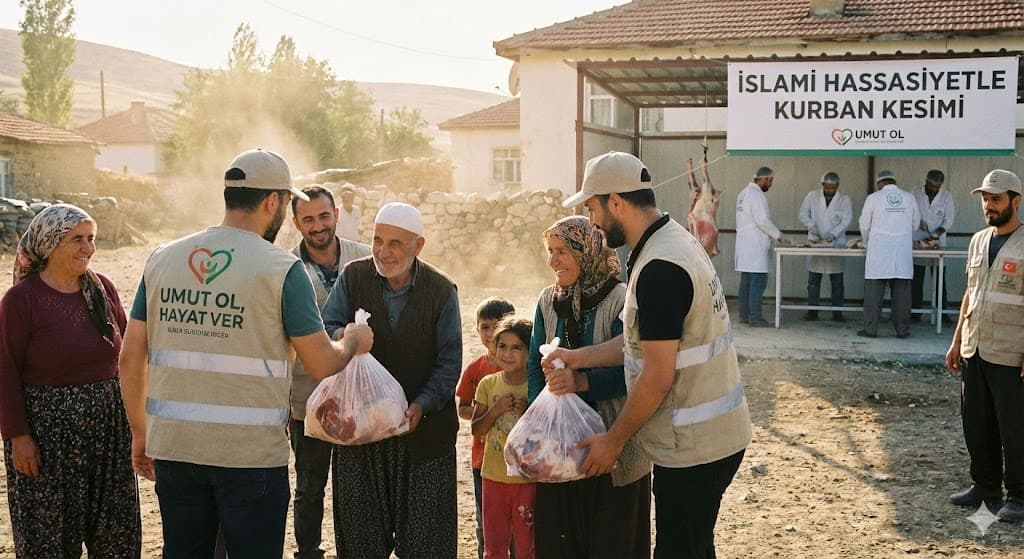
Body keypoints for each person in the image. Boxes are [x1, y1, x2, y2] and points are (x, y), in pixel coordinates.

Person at [117, 148, 374, 559]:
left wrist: (141, 432)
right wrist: (354, 340)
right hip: (249, 457)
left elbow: (130, 358)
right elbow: (323, 362)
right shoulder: (281, 269)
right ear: (274, 202)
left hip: (176, 448)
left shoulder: (163, 259)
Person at [550, 151, 751, 559]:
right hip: (711, 437)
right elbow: (637, 342)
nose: (592, 221)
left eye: (592, 208)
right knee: (694, 547)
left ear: (616, 202)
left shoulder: (661, 268)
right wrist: (578, 358)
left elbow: (658, 376)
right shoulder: (670, 241)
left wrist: (613, 441)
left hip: (695, 448)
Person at [0, 204, 142, 558]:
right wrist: (19, 437)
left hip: (110, 430)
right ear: (50, 243)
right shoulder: (21, 300)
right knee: (48, 542)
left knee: (117, 537)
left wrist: (140, 423)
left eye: (91, 239)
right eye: (76, 239)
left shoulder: (102, 289)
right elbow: (4, 372)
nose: (88, 248)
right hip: (47, 437)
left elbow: (127, 357)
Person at [322, 201, 462, 558]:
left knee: (426, 545)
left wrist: (422, 404)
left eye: (396, 243)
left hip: (423, 438)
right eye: (378, 240)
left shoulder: (442, 291)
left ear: (419, 246)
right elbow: (325, 331)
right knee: (360, 543)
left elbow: (449, 364)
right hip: (361, 436)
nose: (384, 252)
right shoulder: (353, 277)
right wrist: (349, 336)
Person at [526, 215, 651, 559]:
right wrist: (538, 424)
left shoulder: (622, 299)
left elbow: (634, 366)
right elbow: (534, 366)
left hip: (613, 447)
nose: (553, 261)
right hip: (560, 449)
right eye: (549, 251)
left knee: (612, 542)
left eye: (562, 251)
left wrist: (582, 382)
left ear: (587, 252)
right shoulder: (547, 301)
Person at [288, 184, 372, 559]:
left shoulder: (366, 261)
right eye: (308, 219)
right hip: (307, 399)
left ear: (337, 214)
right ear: (295, 223)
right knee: (309, 484)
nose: (318, 225)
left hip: (363, 396)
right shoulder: (285, 269)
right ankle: (309, 551)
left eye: (324, 216)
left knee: (359, 484)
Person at [945, 169, 1024, 523]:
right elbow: (971, 292)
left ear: (1016, 201)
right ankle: (985, 485)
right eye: (985, 199)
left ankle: (1020, 496)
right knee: (976, 422)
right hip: (974, 347)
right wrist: (956, 339)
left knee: (1014, 427)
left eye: (996, 199)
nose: (989, 206)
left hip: (1011, 351)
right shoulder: (978, 240)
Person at [457, 297, 516, 559]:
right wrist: (490, 412)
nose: (490, 333)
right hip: (485, 460)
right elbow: (462, 408)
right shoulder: (475, 369)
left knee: (520, 520)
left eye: (497, 326)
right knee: (488, 522)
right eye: (484, 327)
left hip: (518, 459)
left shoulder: (522, 368)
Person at [472, 317, 535, 559]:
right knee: (494, 547)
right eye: (502, 346)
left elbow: (544, 434)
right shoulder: (488, 385)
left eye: (517, 347)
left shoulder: (536, 387)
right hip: (494, 478)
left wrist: (527, 412)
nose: (508, 354)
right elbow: (477, 430)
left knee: (526, 546)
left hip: (527, 480)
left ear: (529, 352)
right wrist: (495, 411)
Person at [857, 170, 920, 339]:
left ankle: (870, 329)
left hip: (878, 252)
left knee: (874, 294)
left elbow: (864, 225)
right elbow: (916, 224)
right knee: (902, 296)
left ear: (879, 183)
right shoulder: (909, 198)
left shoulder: (873, 198)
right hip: (902, 252)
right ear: (894, 181)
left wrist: (866, 242)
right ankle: (902, 330)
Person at [735, 165, 787, 326]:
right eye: (770, 181)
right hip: (755, 245)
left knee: (746, 283)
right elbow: (762, 220)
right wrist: (779, 235)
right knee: (757, 283)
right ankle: (755, 318)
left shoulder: (743, 193)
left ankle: (745, 316)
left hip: (745, 245)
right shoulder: (756, 195)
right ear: (763, 179)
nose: (770, 185)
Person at [798, 171, 852, 322]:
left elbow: (846, 220)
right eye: (827, 188)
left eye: (832, 188)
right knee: (813, 281)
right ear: (822, 185)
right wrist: (811, 226)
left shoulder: (844, 199)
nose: (829, 191)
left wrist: (834, 234)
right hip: (815, 241)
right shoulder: (812, 196)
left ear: (837, 186)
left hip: (835, 242)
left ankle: (837, 313)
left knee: (837, 282)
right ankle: (812, 312)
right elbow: (803, 214)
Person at [911, 169, 956, 322]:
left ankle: (943, 314)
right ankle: (914, 313)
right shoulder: (915, 193)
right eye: (931, 186)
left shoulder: (946, 197)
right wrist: (918, 223)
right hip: (918, 239)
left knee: (939, 280)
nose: (934, 189)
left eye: (937, 186)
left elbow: (948, 220)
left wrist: (936, 235)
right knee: (916, 279)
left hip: (937, 242)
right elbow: (910, 212)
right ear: (927, 182)